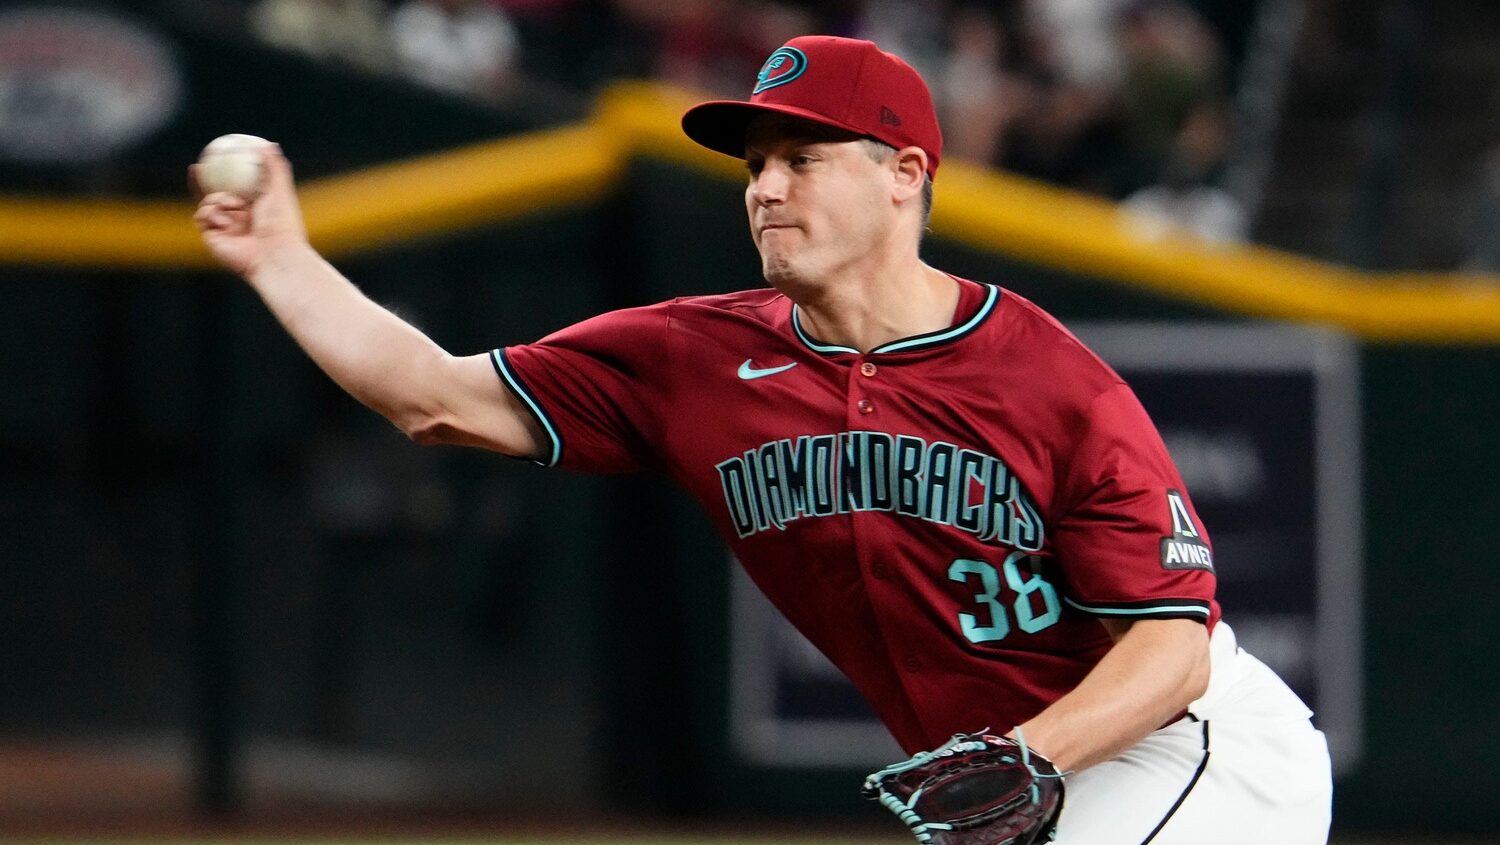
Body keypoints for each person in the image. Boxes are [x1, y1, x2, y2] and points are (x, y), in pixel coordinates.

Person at [192, 34, 1332, 844]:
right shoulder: (690, 357)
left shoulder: (1048, 380)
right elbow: (434, 396)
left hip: (1186, 752)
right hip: (1024, 784)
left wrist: (1032, 755)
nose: (766, 190)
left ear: (904, 177)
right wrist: (281, 259)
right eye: (755, 166)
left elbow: (1174, 645)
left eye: (803, 159)